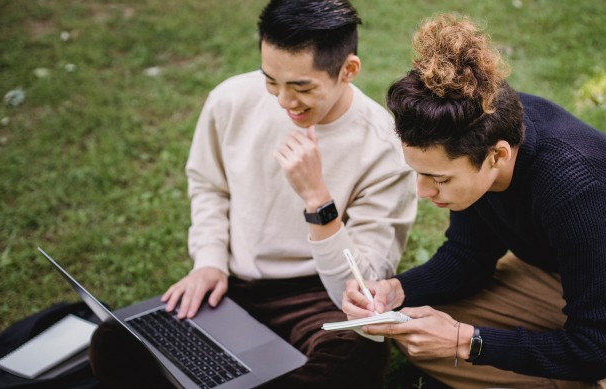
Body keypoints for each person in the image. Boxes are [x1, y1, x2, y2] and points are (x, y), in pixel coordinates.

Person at [341, 14, 606, 388]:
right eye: (419, 173)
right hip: (551, 270)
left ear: (498, 156)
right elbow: (468, 257)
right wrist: (398, 290)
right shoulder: (476, 125)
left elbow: (603, 345)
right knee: (414, 332)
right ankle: (552, 363)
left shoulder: (581, 191)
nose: (424, 192)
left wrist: (466, 341)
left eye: (439, 179)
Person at [91, 1, 416, 388]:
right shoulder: (231, 99)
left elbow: (363, 287)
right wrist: (209, 261)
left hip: (318, 296)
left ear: (348, 70)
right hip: (234, 282)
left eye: (301, 87)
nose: (283, 101)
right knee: (114, 341)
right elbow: (209, 185)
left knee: (356, 356)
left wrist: (318, 200)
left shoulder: (384, 147)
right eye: (270, 80)